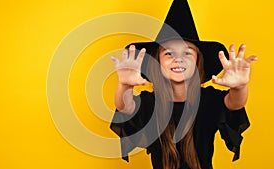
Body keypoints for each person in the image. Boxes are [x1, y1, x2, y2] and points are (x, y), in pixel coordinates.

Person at [109, 0, 257, 169]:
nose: (178, 58)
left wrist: (239, 87)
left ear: (197, 61)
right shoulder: (150, 103)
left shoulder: (209, 99)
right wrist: (125, 86)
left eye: (187, 52)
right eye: (169, 53)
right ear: (157, 62)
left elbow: (235, 103)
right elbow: (125, 107)